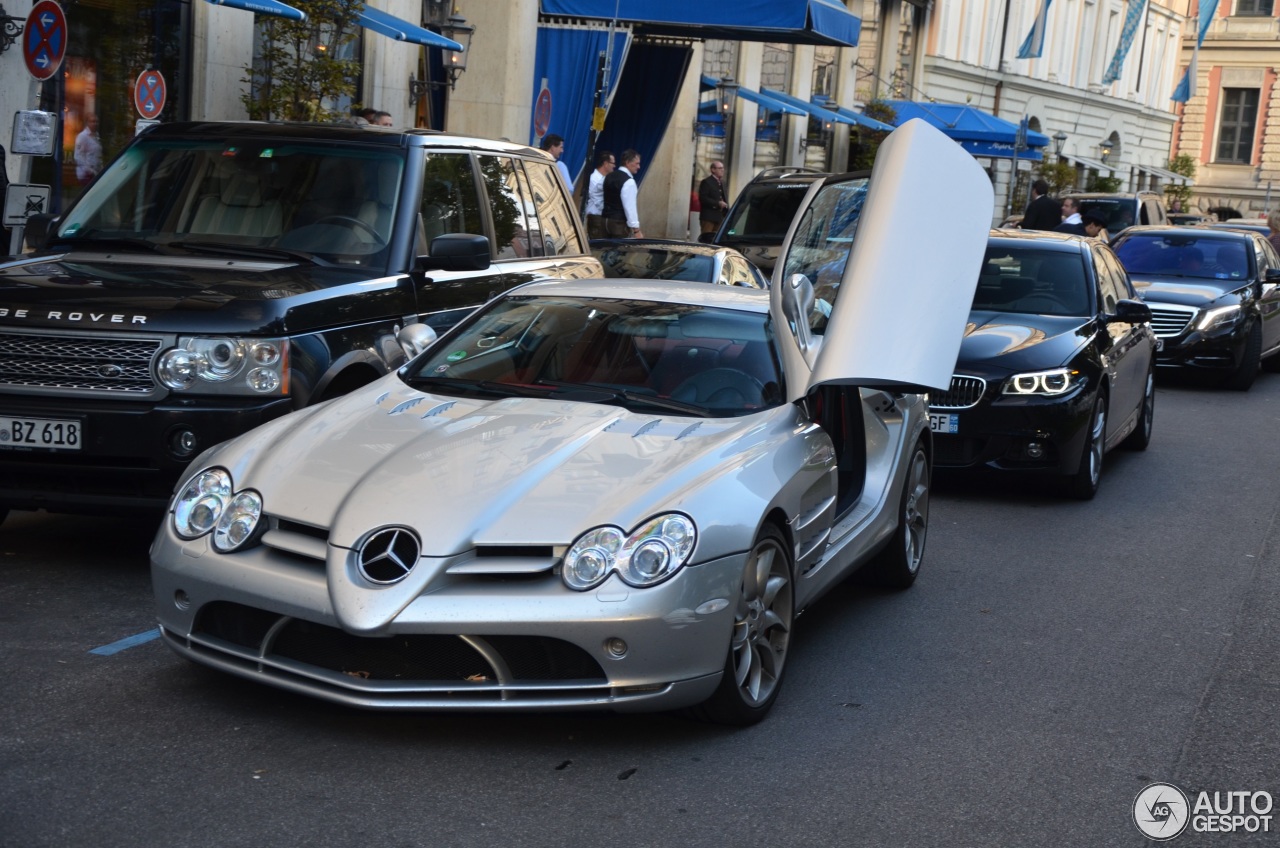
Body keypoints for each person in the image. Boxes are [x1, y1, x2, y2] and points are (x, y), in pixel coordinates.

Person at [602, 149, 643, 238]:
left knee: (606, 249)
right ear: (628, 163)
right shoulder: (629, 181)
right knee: (620, 250)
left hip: (604, 222)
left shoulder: (608, 176)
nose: (639, 167)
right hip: (619, 224)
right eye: (637, 163)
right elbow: (630, 207)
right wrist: (636, 230)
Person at [584, 150, 614, 239]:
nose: (614, 166)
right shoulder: (595, 179)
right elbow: (598, 201)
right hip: (596, 217)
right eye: (612, 163)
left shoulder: (604, 178)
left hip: (601, 218)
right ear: (605, 163)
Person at [697, 161, 729, 243]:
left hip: (720, 217)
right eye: (720, 168)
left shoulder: (723, 183)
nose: (722, 170)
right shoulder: (707, 182)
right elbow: (703, 198)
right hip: (708, 217)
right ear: (713, 170)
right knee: (706, 240)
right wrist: (717, 203)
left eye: (723, 168)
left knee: (717, 241)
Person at [74, 113, 103, 184]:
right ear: (87, 123)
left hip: (96, 173)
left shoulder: (96, 136)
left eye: (96, 121)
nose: (95, 123)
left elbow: (98, 155)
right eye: (92, 121)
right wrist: (89, 170)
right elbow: (78, 156)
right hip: (86, 175)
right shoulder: (82, 136)